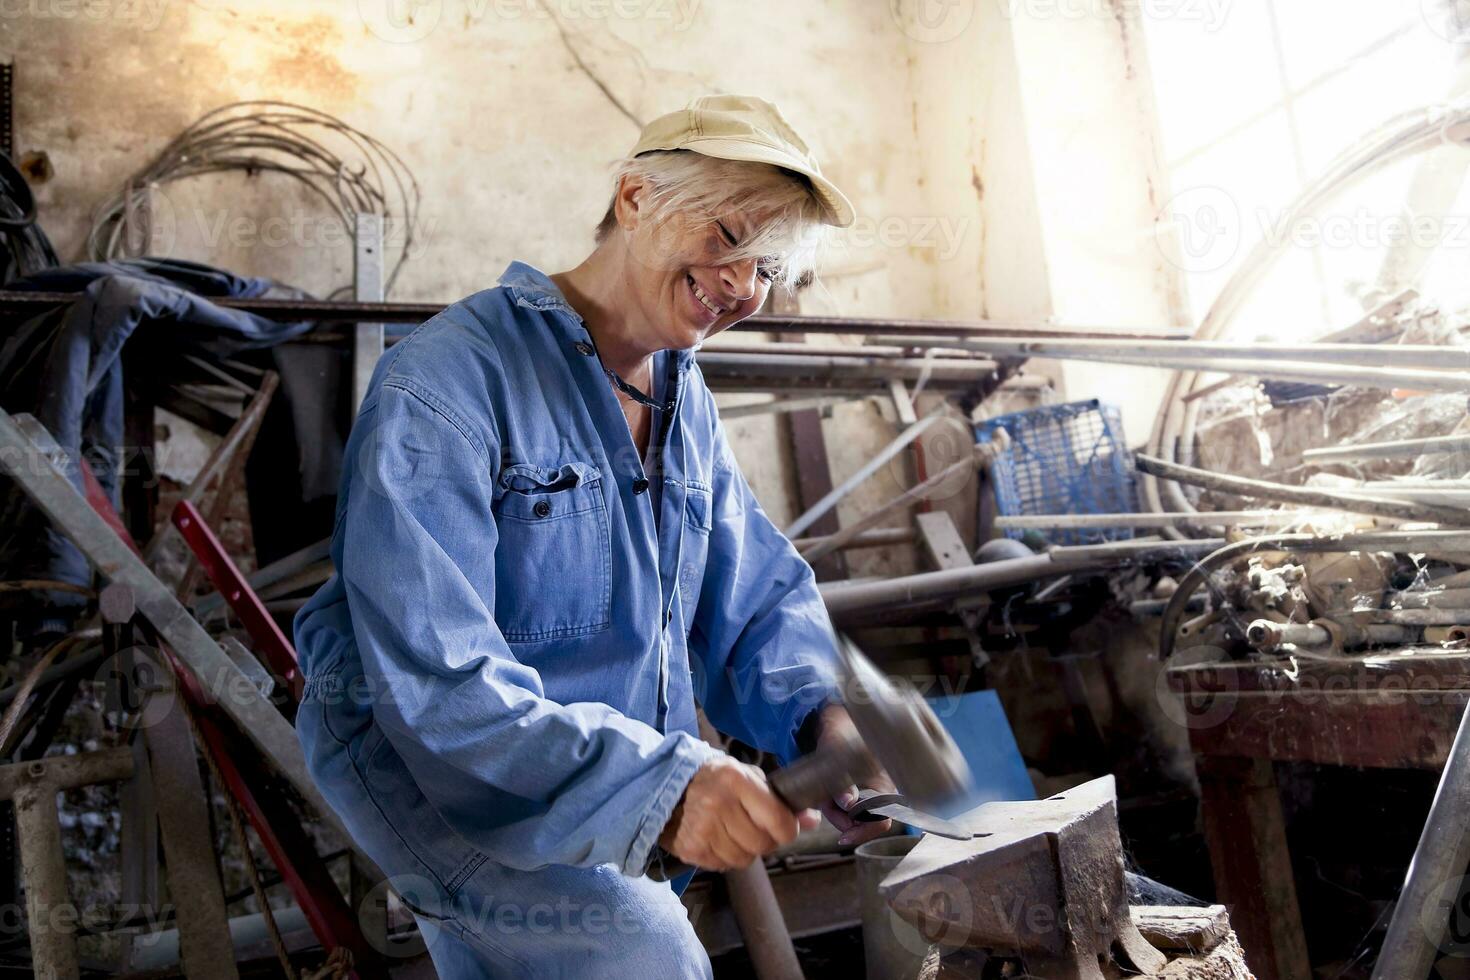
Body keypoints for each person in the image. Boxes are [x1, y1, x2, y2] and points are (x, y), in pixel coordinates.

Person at [294, 94, 894, 977]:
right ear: (634, 199)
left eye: (766, 267)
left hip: (584, 775)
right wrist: (662, 785)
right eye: (728, 236)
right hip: (430, 770)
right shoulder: (444, 383)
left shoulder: (684, 401)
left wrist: (823, 720)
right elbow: (439, 682)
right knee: (644, 956)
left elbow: (753, 592)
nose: (742, 286)